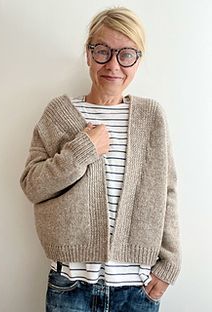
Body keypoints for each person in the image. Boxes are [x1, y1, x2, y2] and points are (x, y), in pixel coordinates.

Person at [20, 7, 181, 312]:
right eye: (103, 51)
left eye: (126, 54)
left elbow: (167, 192)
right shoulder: (58, 114)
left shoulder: (151, 118)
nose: (113, 65)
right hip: (70, 287)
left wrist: (169, 263)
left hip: (137, 290)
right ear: (88, 53)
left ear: (138, 59)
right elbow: (32, 185)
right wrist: (83, 149)